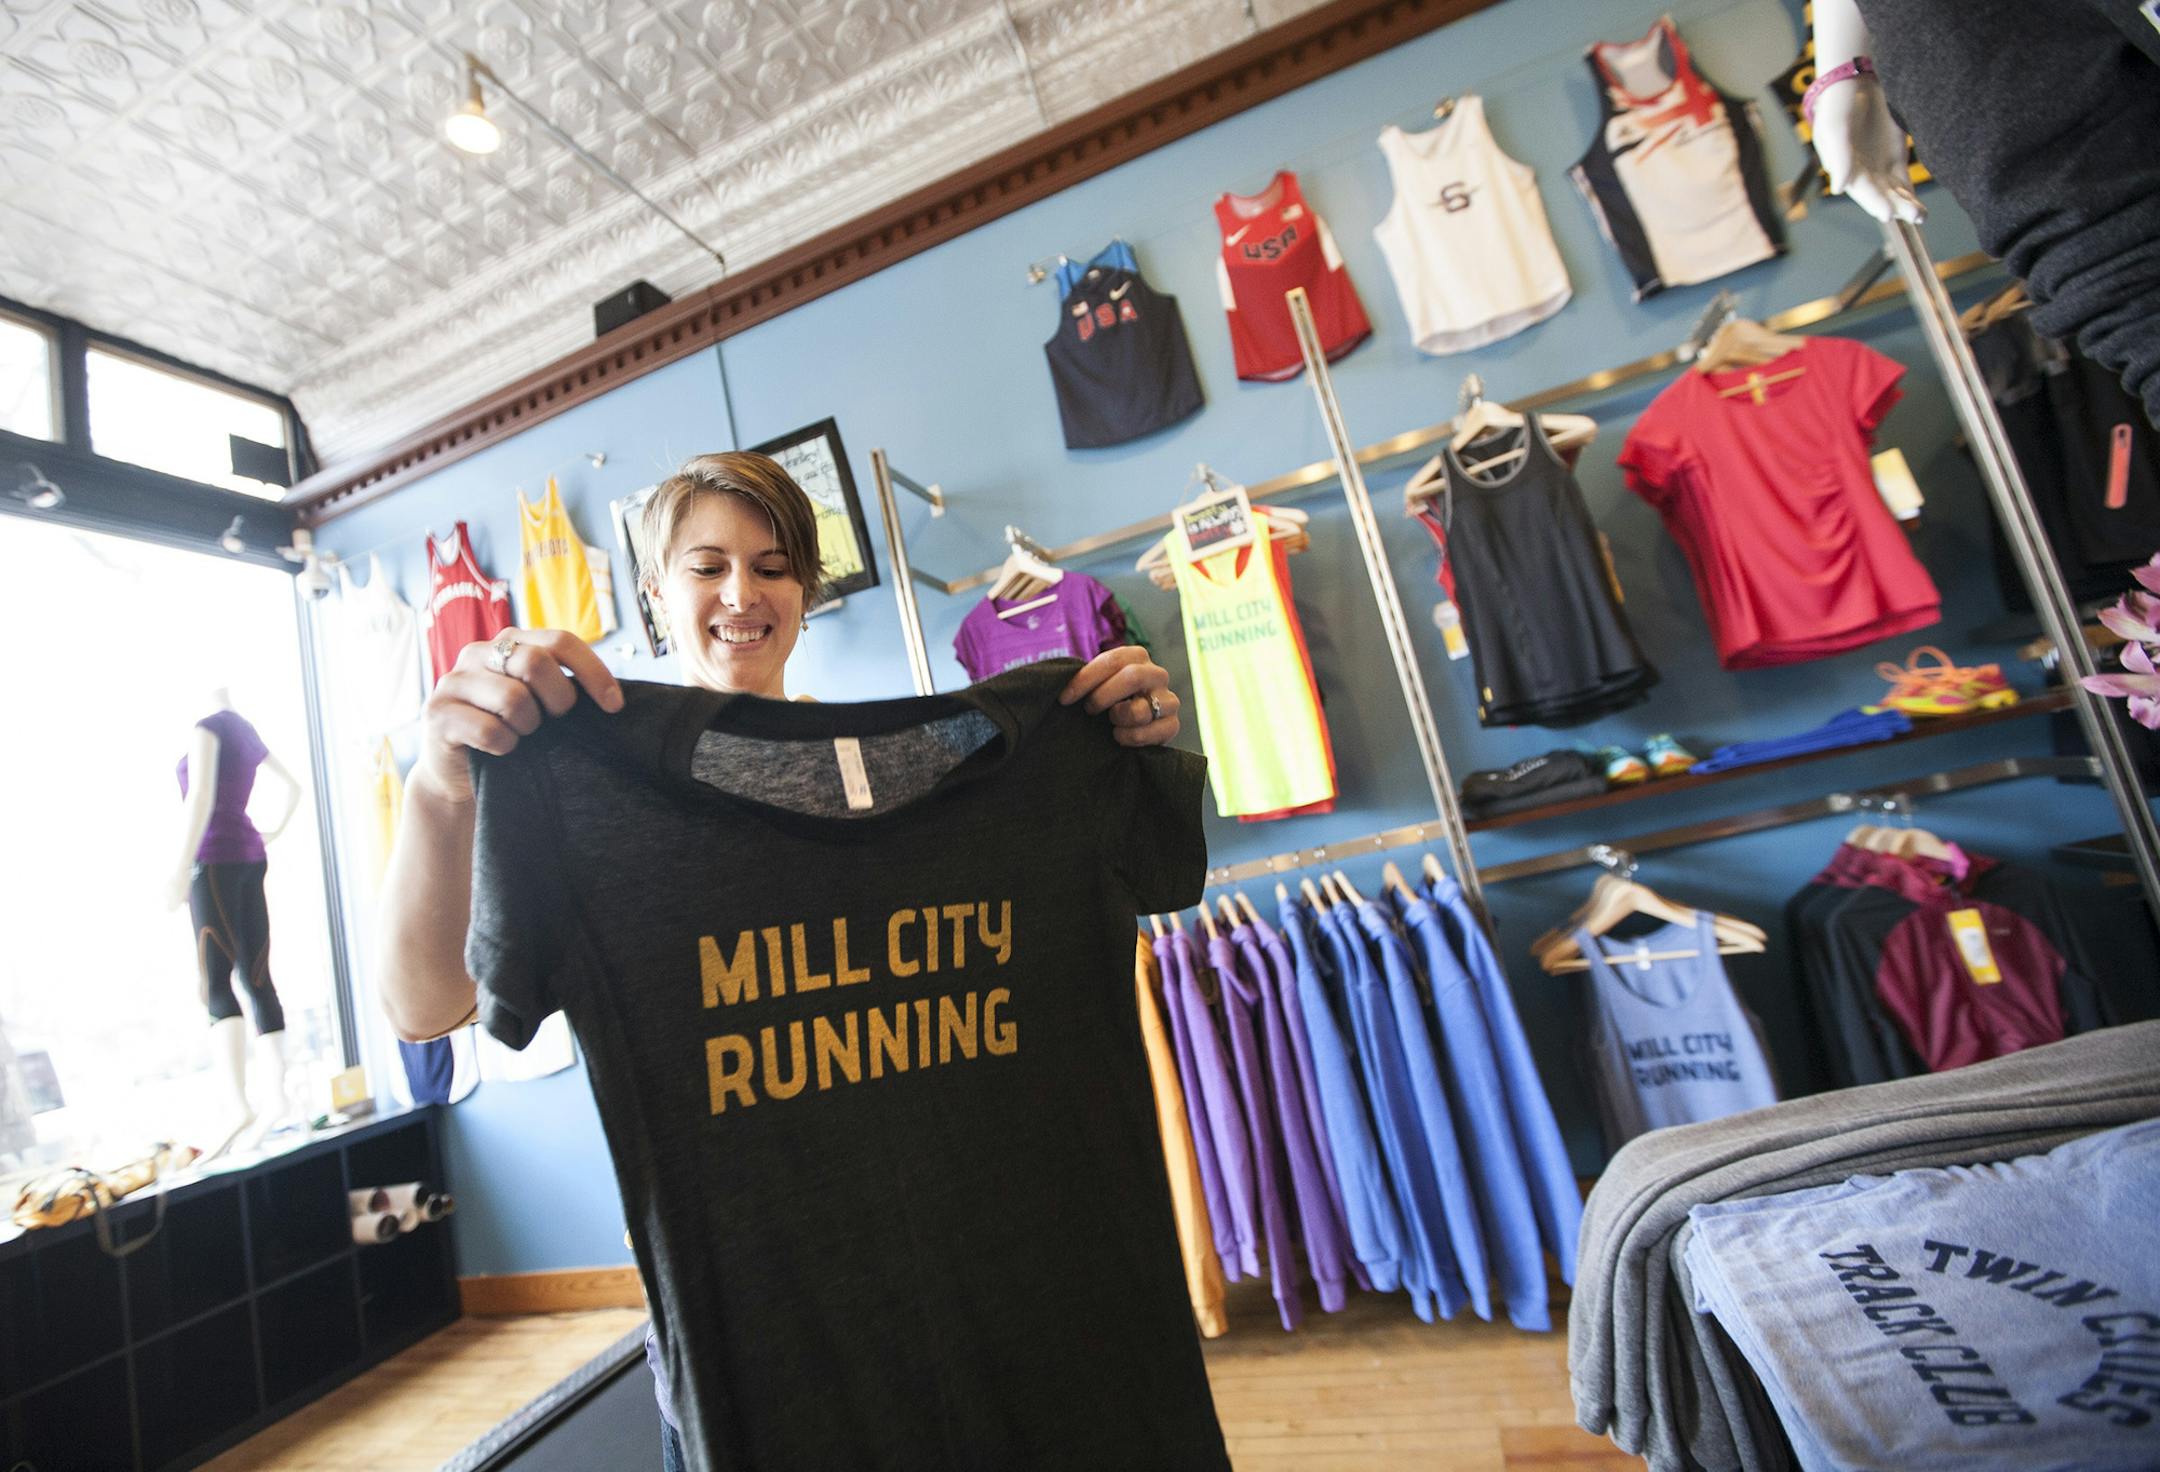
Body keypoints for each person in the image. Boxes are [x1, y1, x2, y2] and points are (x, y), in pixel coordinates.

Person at [374, 451, 1185, 1470]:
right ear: (657, 595)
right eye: (706, 565)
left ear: (807, 589)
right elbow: (422, 1003)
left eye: (772, 565)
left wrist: (1112, 739)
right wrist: (440, 789)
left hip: (995, 1326)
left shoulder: (956, 780)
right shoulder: (584, 790)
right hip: (755, 1364)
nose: (741, 594)